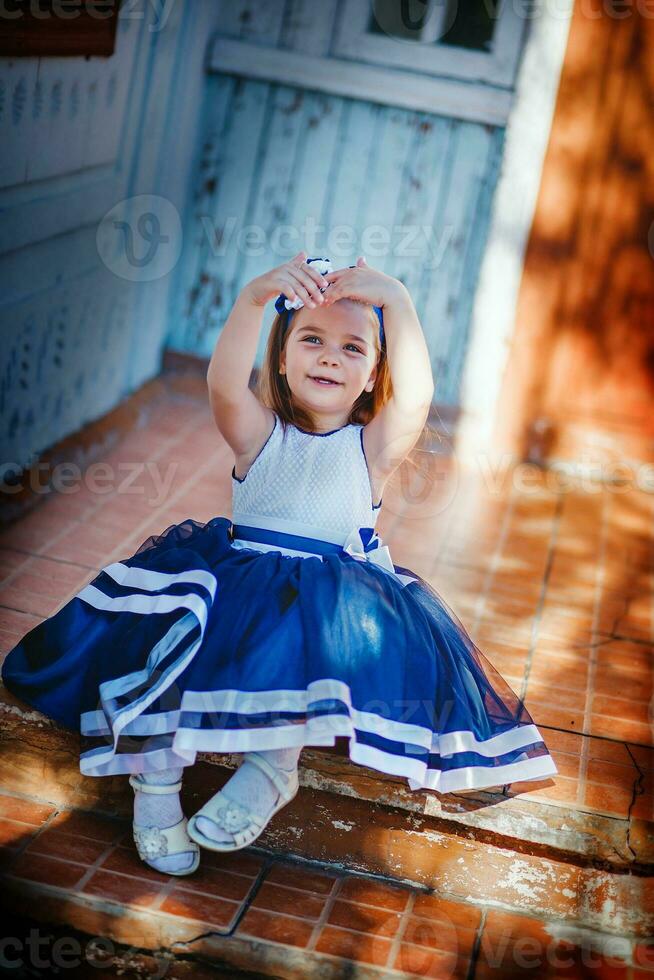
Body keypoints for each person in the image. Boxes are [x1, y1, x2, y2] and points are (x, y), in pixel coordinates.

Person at [1, 251, 558, 877]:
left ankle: (271, 770)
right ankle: (154, 792)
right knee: (170, 654)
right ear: (283, 357)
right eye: (312, 339)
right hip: (235, 585)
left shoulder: (371, 451)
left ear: (375, 374)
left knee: (304, 646)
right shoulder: (259, 435)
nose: (328, 356)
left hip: (323, 602)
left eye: (353, 348)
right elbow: (221, 382)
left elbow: (418, 398)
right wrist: (252, 297)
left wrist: (397, 299)